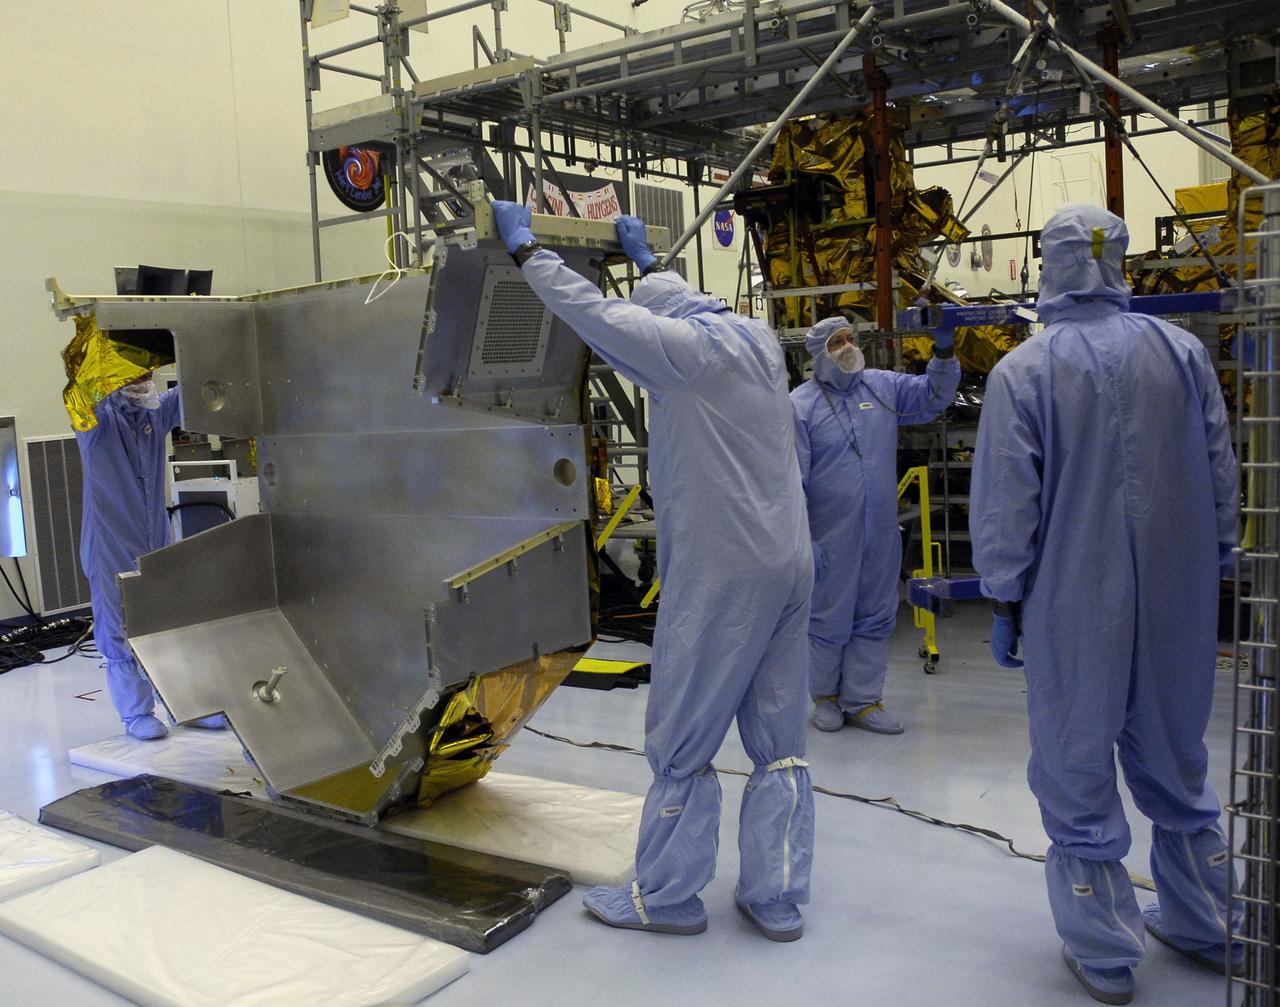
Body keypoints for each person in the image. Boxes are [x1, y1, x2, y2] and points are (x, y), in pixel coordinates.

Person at [491, 200, 814, 942]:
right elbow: (676, 305)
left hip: (725, 568)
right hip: (788, 560)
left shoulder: (680, 354)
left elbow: (595, 315)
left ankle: (666, 894)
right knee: (780, 736)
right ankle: (775, 894)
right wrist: (649, 264)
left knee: (682, 729)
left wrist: (530, 252)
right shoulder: (757, 340)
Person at [970, 204, 1240, 1005]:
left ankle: (1106, 949)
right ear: (1118, 260)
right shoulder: (1182, 353)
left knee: (1076, 755)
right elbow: (1220, 467)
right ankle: (1209, 921)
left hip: (1073, 598)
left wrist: (1004, 595)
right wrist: (1219, 556)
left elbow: (1007, 502)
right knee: (1176, 751)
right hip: (1178, 593)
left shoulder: (1025, 371)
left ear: (1048, 264)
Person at [792, 316, 959, 734]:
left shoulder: (882, 388)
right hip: (829, 536)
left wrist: (942, 352)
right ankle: (826, 698)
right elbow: (791, 481)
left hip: (881, 531)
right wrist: (803, 538)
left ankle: (864, 700)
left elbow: (933, 396)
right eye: (837, 342)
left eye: (850, 338)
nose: (848, 347)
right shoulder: (800, 407)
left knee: (876, 613)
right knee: (828, 617)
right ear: (818, 354)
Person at [76, 375, 225, 740]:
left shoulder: (153, 413)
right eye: (133, 373)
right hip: (110, 540)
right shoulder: (97, 418)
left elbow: (196, 387)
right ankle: (135, 713)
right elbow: (78, 391)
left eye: (146, 373)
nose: (143, 381)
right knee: (118, 622)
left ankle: (186, 706)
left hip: (154, 534)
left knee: (169, 618)